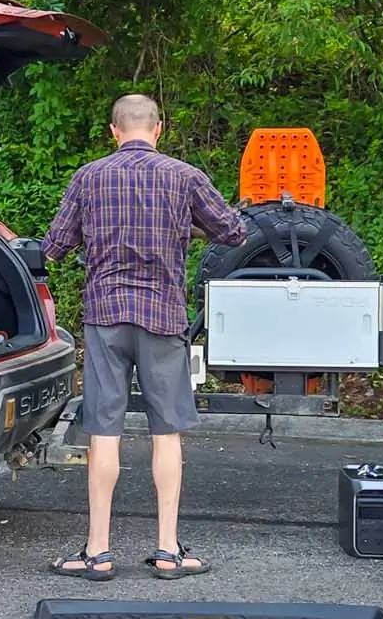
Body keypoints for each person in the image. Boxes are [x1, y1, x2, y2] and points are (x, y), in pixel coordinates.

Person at [41, 94, 248, 580]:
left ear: (113, 131)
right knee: (166, 432)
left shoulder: (89, 177)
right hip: (162, 316)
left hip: (106, 316)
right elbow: (234, 232)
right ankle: (168, 550)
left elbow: (54, 246)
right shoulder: (184, 177)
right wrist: (187, 227)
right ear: (159, 129)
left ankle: (97, 551)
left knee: (104, 430)